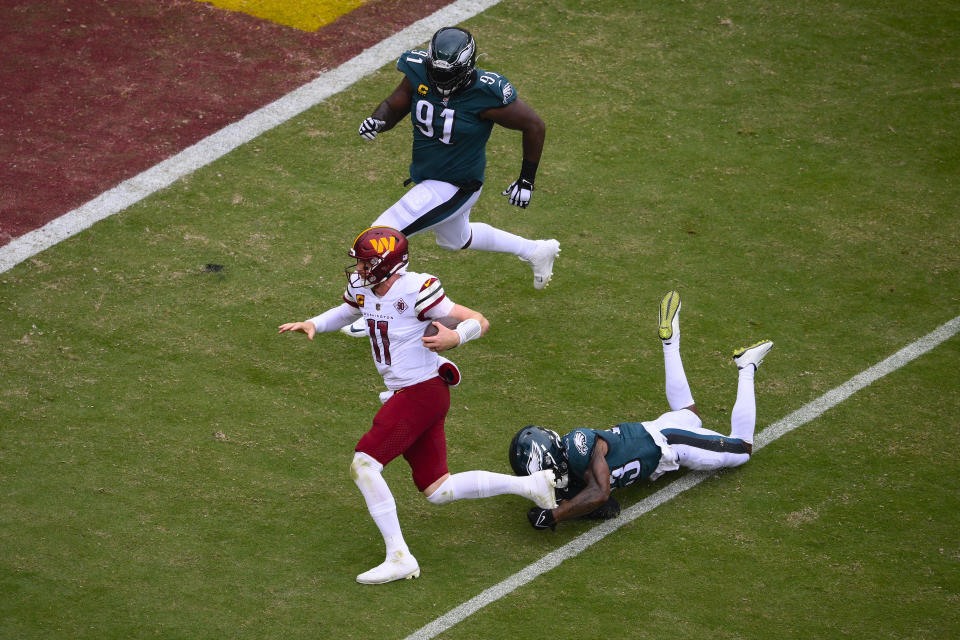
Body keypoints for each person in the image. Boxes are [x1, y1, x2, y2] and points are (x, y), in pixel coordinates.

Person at [278, 226, 557, 583]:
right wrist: (313, 323)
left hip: (421, 391)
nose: (360, 270)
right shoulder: (365, 288)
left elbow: (478, 320)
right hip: (410, 392)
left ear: (387, 264)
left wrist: (455, 336)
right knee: (438, 489)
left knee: (364, 464)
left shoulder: (417, 289)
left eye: (366, 263)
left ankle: (399, 556)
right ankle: (532, 486)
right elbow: (348, 313)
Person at [508, 290, 774, 531]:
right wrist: (564, 506)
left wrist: (556, 515)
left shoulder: (578, 446)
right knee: (690, 414)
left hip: (669, 443)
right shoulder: (571, 470)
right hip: (653, 430)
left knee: (742, 449)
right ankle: (670, 340)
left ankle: (746, 366)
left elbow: (600, 493)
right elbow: (609, 508)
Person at [351, 25, 559, 306]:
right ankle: (536, 250)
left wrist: (526, 179)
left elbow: (534, 125)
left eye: (447, 74)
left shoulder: (486, 93)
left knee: (380, 238)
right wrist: (378, 120)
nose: (440, 80)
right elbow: (395, 104)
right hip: (429, 176)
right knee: (456, 239)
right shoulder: (418, 72)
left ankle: (377, 308)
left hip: (456, 184)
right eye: (436, 72)